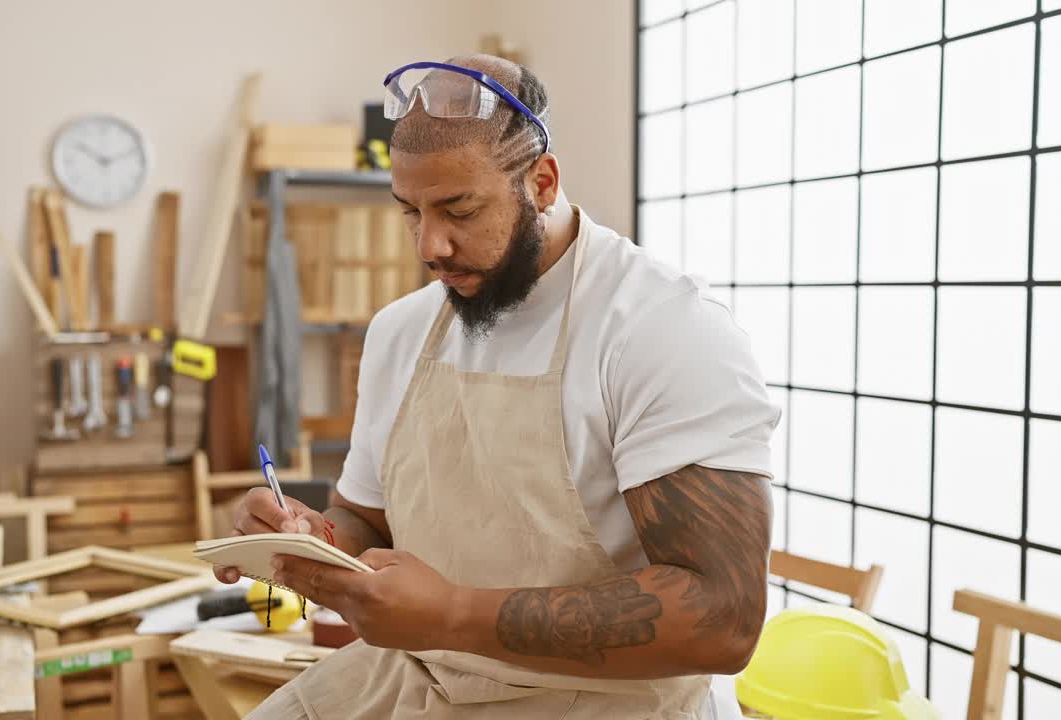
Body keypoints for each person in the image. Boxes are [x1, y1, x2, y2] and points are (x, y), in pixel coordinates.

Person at [218, 54, 781, 719]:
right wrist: (309, 539)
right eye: (411, 213)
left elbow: (725, 618)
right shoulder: (401, 332)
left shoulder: (662, 330)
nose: (431, 247)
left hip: (606, 702)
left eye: (459, 209)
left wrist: (453, 615)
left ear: (542, 182)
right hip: (421, 676)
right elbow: (366, 520)